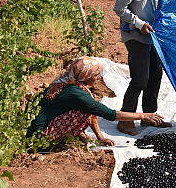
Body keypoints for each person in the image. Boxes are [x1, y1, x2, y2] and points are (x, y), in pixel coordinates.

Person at [27, 56, 165, 145]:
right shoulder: (75, 93)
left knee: (88, 108)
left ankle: (72, 134)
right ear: (85, 75)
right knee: (84, 111)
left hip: (32, 126)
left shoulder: (68, 80)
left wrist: (100, 137)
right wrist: (143, 115)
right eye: (96, 74)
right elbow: (110, 114)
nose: (98, 78)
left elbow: (92, 108)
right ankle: (54, 140)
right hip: (38, 135)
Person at [113, 0, 173, 136]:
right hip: (135, 34)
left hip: (151, 33)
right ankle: (125, 120)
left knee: (155, 75)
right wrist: (139, 24)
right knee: (140, 79)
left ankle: (150, 116)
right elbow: (120, 10)